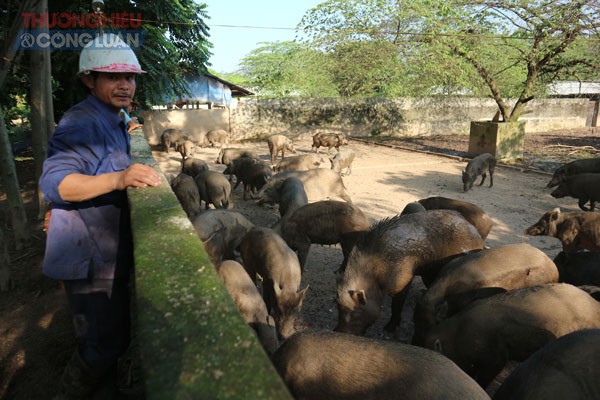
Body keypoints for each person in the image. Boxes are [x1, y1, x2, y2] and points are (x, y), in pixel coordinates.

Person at [39, 32, 161, 399]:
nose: (125, 85)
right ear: (89, 80)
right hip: (88, 257)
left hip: (105, 250)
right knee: (101, 345)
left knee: (115, 335)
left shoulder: (113, 116)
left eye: (130, 77)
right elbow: (54, 183)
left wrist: (129, 129)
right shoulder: (81, 122)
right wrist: (120, 177)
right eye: (113, 77)